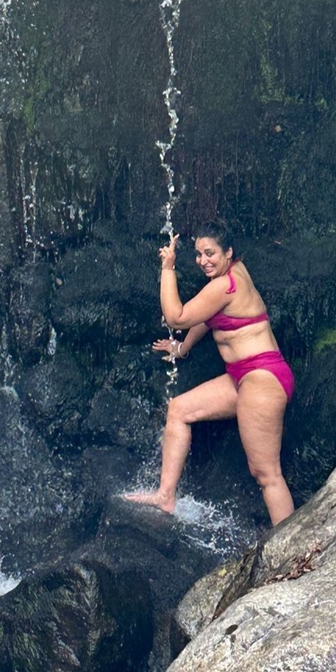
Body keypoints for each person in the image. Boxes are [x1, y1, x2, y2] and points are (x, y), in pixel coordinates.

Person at [125, 220, 295, 525]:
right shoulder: (233, 272)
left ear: (228, 252)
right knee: (179, 410)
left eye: (210, 253)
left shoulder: (224, 285)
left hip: (262, 378)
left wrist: (168, 268)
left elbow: (176, 317)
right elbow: (207, 316)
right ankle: (165, 496)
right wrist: (182, 348)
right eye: (198, 254)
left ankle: (291, 544)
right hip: (243, 377)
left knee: (266, 474)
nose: (203, 260)